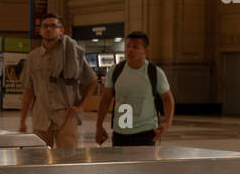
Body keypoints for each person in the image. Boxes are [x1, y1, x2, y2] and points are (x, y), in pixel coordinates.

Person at [18, 13, 98, 148]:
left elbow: (92, 81)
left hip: (66, 117)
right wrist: (22, 120)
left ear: (61, 30)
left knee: (67, 158)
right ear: (41, 31)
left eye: (53, 26)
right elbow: (28, 90)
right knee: (39, 158)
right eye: (45, 26)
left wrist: (79, 106)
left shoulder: (73, 55)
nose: (49, 29)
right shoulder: (33, 57)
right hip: (41, 117)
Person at [94, 32, 175, 146]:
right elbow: (106, 99)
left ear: (146, 51)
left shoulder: (154, 72)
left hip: (146, 133)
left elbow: (167, 98)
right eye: (128, 46)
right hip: (120, 133)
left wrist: (167, 122)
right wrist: (99, 125)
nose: (130, 50)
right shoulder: (116, 71)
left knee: (143, 164)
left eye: (135, 47)